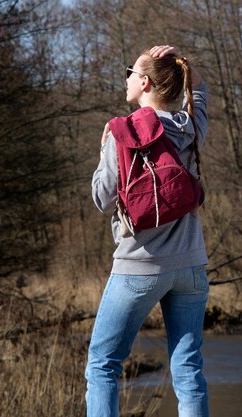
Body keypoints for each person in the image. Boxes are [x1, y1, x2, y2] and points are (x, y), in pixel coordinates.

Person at [85, 44, 210, 417]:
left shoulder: (121, 132)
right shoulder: (190, 127)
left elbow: (102, 199)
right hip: (190, 267)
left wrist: (105, 148)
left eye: (130, 71)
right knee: (188, 370)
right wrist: (182, 60)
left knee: (103, 364)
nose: (125, 78)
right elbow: (199, 90)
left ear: (143, 82)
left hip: (138, 266)